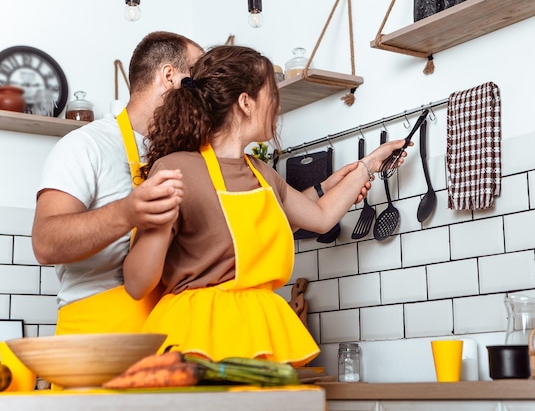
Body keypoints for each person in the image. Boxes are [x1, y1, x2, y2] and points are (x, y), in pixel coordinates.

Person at [123, 45, 411, 366]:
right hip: (196, 337)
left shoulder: (262, 173)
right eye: (271, 93)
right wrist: (158, 227)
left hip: (260, 332)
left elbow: (321, 216)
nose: (277, 106)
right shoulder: (175, 169)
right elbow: (137, 284)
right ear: (246, 103)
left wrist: (367, 165)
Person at [31, 31, 204, 335]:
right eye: (198, 78)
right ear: (169, 76)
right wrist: (126, 213)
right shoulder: (86, 144)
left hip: (172, 331)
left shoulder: (186, 156)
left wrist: (319, 191)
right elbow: (45, 244)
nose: (205, 93)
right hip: (97, 333)